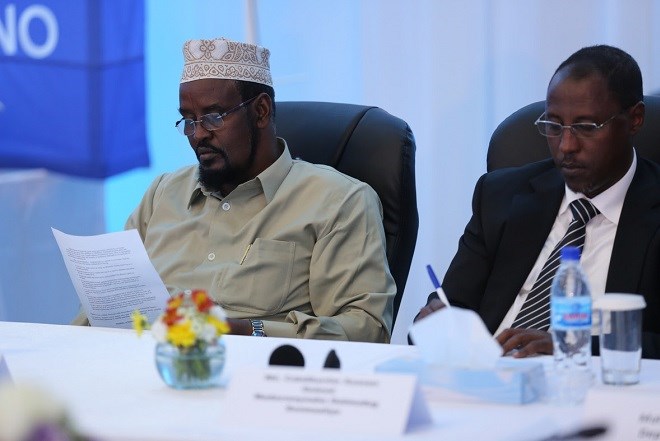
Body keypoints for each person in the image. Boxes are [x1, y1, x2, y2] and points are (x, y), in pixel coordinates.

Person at [75, 37, 395, 342]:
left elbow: (366, 330)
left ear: (261, 111)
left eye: (213, 117)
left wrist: (247, 332)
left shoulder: (338, 201)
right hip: (142, 367)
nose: (198, 134)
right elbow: (99, 313)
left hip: (255, 373)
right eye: (188, 120)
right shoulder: (163, 194)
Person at [415, 44, 660, 359]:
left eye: (586, 127)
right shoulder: (501, 196)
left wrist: (572, 346)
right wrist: (433, 321)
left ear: (635, 119)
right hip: (487, 378)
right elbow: (453, 305)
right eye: (554, 126)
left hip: (594, 382)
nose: (566, 146)